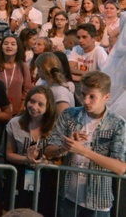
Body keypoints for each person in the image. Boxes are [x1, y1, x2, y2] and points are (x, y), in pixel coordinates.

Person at [44, 71, 126, 217]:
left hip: (99, 201)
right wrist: (65, 147)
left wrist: (83, 151)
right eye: (83, 94)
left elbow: (120, 168)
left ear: (106, 97)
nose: (85, 101)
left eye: (92, 96)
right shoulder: (69, 115)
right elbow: (48, 150)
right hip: (67, 196)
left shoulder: (117, 124)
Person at [5, 85, 58, 214]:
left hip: (46, 180)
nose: (34, 107)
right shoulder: (15, 123)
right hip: (20, 176)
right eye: (32, 101)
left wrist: (45, 163)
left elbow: (59, 160)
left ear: (48, 107)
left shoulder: (55, 127)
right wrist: (27, 159)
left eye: (40, 104)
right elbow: (9, 154)